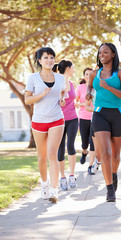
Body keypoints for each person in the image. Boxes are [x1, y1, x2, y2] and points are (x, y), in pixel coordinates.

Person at [86, 43, 121, 202]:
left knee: (115, 155)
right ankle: (110, 189)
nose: (101, 55)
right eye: (99, 52)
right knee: (105, 153)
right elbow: (90, 87)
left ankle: (114, 174)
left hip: (118, 114)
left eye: (105, 52)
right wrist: (88, 94)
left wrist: (107, 86)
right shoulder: (94, 73)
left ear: (113, 54)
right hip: (100, 114)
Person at [25, 47, 66, 203]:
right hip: (39, 121)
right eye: (46, 57)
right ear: (40, 60)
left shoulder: (61, 78)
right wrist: (41, 94)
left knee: (52, 154)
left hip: (56, 118)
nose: (50, 60)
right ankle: (44, 184)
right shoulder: (33, 78)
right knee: (42, 157)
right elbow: (28, 100)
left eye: (52, 57)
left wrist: (62, 100)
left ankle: (54, 191)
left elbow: (63, 94)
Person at [53, 60, 78, 190]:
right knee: (61, 149)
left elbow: (72, 100)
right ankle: (62, 177)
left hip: (73, 118)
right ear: (68, 68)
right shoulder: (57, 83)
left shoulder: (73, 84)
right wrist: (60, 102)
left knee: (71, 145)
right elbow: (53, 101)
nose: (74, 70)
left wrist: (76, 104)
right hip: (59, 120)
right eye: (72, 68)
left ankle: (72, 175)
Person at [75, 68, 96, 175]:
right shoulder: (80, 87)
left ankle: (90, 166)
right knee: (84, 143)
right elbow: (76, 100)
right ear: (84, 76)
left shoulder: (96, 87)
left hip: (95, 117)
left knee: (93, 143)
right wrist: (77, 103)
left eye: (90, 74)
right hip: (83, 117)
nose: (88, 76)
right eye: (86, 74)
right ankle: (84, 152)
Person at [85, 92, 101, 174]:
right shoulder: (92, 91)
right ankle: (90, 166)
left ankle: (99, 163)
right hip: (95, 120)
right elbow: (87, 106)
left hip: (109, 121)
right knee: (93, 145)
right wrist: (97, 108)